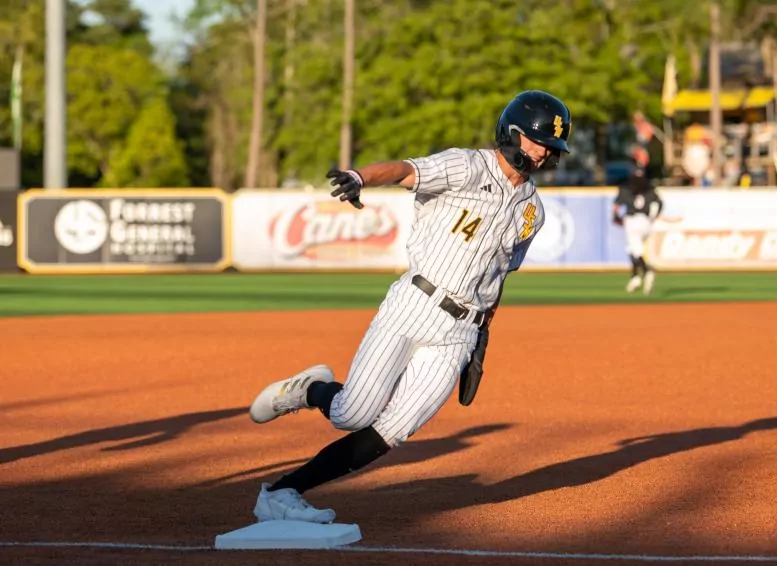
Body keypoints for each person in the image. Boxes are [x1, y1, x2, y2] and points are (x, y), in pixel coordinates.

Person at [245, 90, 572, 524]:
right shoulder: (468, 166)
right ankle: (309, 390)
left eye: (550, 146)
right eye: (537, 140)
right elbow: (406, 170)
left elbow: (498, 277)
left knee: (394, 428)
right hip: (416, 302)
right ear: (511, 132)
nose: (544, 152)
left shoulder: (532, 212)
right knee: (351, 413)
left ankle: (283, 493)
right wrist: (360, 177)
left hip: (461, 331)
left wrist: (481, 340)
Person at [612, 160, 663, 295]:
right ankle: (635, 277)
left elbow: (616, 207)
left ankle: (647, 271)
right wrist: (654, 216)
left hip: (632, 221)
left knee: (636, 251)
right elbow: (659, 203)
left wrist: (616, 218)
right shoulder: (649, 186)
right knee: (631, 249)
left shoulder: (626, 186)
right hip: (646, 222)